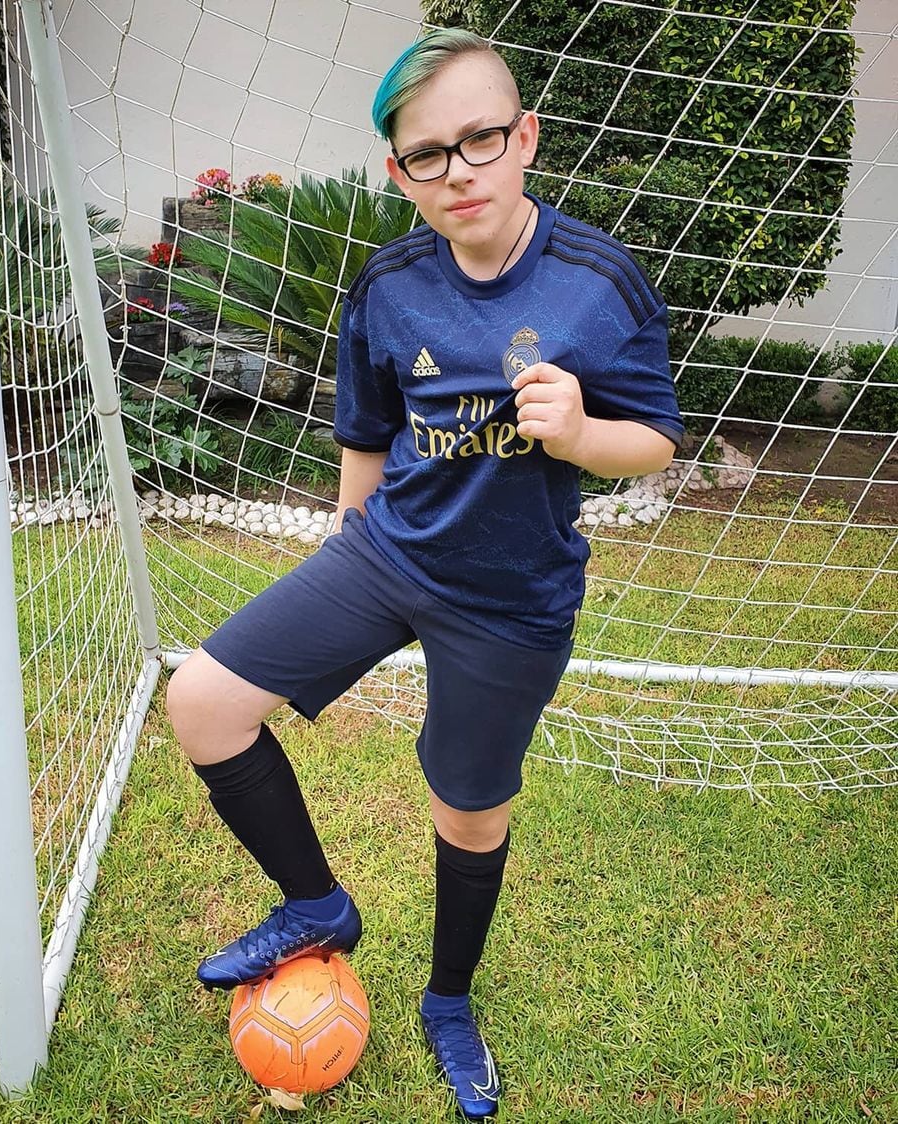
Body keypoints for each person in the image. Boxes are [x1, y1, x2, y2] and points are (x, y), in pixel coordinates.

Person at [166, 28, 683, 1120]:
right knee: (203, 701)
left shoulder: (601, 281)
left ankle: (448, 998)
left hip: (513, 596)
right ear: (399, 175)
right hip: (388, 552)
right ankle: (315, 903)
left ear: (526, 137)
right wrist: (349, 555)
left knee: (467, 811)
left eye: (480, 139)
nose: (460, 171)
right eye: (428, 154)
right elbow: (366, 427)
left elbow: (660, 442)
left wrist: (586, 434)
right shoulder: (389, 281)